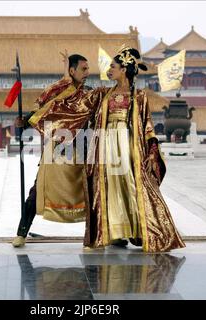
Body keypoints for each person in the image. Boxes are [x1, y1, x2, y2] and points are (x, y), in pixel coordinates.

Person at [37, 46, 186, 253]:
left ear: (124, 70)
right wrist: (64, 78)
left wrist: (152, 151)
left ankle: (140, 231)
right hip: (105, 148)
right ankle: (111, 233)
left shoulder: (139, 96)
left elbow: (147, 126)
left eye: (113, 66)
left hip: (129, 149)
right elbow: (75, 103)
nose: (109, 69)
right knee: (108, 189)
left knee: (132, 188)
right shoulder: (102, 94)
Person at [12, 52, 91, 247]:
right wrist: (25, 122)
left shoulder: (89, 94)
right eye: (83, 69)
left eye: (88, 68)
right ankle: (22, 233)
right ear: (72, 70)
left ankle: (100, 236)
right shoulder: (58, 92)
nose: (87, 72)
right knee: (37, 190)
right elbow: (43, 110)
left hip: (82, 149)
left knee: (93, 193)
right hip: (56, 149)